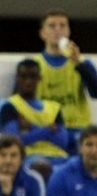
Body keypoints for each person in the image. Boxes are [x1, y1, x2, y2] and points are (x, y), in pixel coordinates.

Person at [34, 8, 97, 153]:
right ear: (42, 33)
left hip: (79, 130)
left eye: (62, 25)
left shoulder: (82, 63)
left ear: (68, 31)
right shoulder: (34, 65)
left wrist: (79, 64)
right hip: (49, 130)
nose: (58, 30)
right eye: (52, 26)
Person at [0, 58, 69, 181]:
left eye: (32, 77)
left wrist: (32, 128)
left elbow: (63, 141)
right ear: (17, 78)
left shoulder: (54, 107)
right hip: (30, 157)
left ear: (39, 78)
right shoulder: (10, 106)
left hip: (59, 156)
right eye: (24, 77)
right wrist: (48, 131)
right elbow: (14, 141)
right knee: (42, 167)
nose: (28, 81)